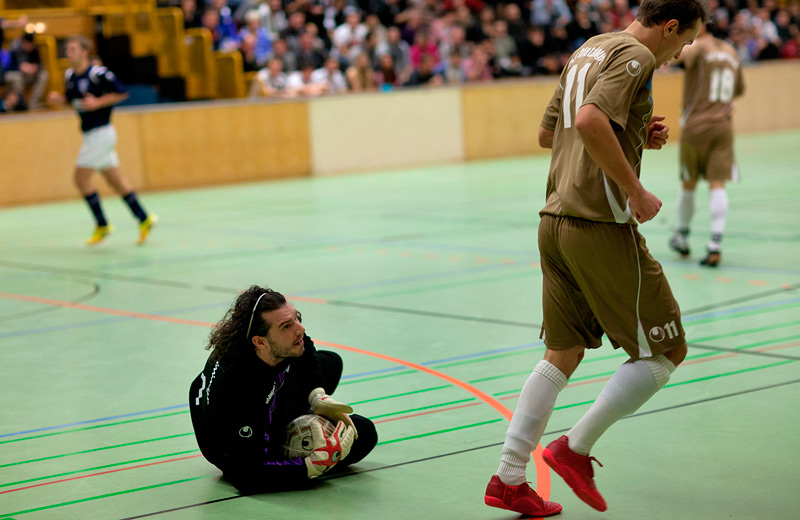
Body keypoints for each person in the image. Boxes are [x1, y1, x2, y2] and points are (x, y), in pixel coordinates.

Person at [484, 0, 708, 516]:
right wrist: (634, 189)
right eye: (685, 41)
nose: (681, 53)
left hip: (554, 221)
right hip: (598, 224)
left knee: (561, 353)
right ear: (670, 26)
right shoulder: (637, 56)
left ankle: (509, 478)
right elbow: (588, 120)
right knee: (666, 351)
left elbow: (550, 133)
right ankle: (575, 448)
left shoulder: (590, 48)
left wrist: (633, 134)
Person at [189, 287, 377, 493]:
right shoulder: (239, 394)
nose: (300, 329)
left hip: (269, 397)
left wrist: (317, 396)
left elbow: (306, 346)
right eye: (286, 326)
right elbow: (245, 477)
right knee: (364, 434)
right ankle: (290, 439)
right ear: (260, 342)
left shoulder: (263, 342)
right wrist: (311, 466)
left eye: (296, 318)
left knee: (330, 363)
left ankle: (302, 416)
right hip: (239, 444)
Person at [47, 36, 156, 245]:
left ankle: (102, 224)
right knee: (115, 180)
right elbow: (72, 100)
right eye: (67, 50)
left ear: (84, 52)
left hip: (101, 133)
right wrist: (58, 100)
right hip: (90, 134)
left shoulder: (98, 74)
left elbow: (122, 93)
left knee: (80, 179)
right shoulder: (70, 75)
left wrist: (98, 102)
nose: (68, 53)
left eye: (73, 49)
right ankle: (144, 218)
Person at [669, 23, 745, 267]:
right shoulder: (731, 52)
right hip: (723, 125)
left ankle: (682, 235)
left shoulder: (698, 47)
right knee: (717, 183)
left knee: (689, 182)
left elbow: (676, 57)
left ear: (698, 28)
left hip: (695, 126)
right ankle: (715, 243)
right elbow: (738, 89)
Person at [4, 32, 49, 110]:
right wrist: (20, 67)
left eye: (31, 45)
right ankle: (20, 103)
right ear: (23, 42)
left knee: (44, 75)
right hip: (15, 74)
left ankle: (33, 103)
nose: (30, 47)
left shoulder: (34, 49)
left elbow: (40, 65)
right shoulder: (14, 48)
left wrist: (34, 68)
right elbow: (8, 67)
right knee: (17, 78)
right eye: (28, 44)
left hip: (29, 75)